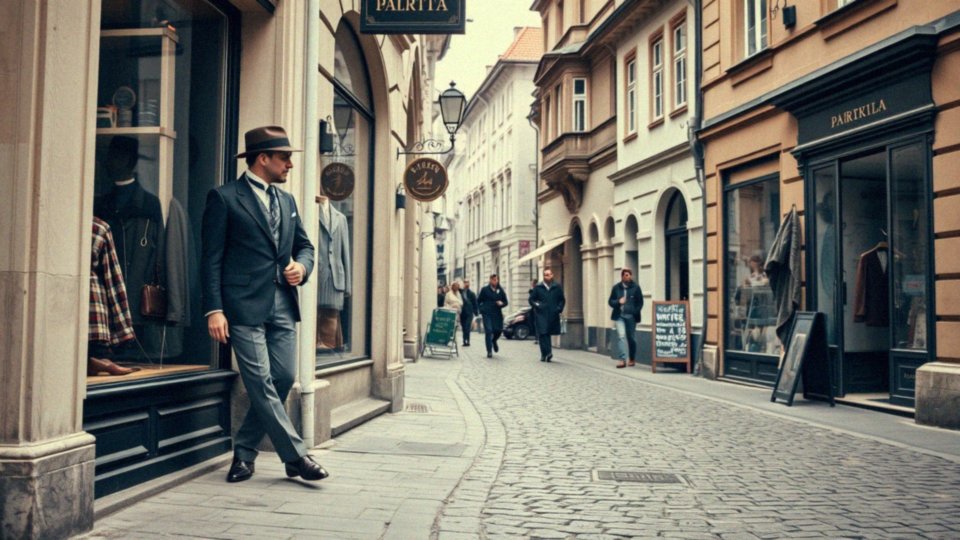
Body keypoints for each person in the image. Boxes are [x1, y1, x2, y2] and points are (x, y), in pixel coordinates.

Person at [202, 125, 327, 483]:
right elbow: (210, 259)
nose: (290, 165)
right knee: (259, 380)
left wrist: (301, 267)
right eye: (284, 157)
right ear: (263, 159)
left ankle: (243, 452)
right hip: (241, 306)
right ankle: (296, 457)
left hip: (283, 304)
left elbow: (305, 246)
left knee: (284, 376)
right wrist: (214, 308)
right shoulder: (224, 198)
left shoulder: (286, 201)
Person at [608, 268, 643, 368]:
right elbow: (610, 301)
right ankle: (622, 360)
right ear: (622, 276)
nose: (628, 277)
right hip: (620, 316)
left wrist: (634, 312)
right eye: (626, 275)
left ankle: (631, 358)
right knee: (621, 336)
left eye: (629, 275)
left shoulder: (636, 288)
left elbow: (640, 302)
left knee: (631, 338)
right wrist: (618, 302)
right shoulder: (616, 288)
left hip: (631, 317)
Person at [529, 268, 565, 362]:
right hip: (541, 314)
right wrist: (537, 305)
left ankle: (545, 354)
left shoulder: (557, 287)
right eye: (545, 275)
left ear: (552, 275)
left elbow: (562, 300)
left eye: (549, 275)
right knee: (543, 333)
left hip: (553, 314)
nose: (547, 276)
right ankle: (547, 353)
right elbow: (531, 299)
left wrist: (559, 309)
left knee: (547, 333)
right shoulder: (538, 287)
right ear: (543, 276)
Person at [477, 274, 508, 358]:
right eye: (493, 279)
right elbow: (478, 301)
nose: (495, 281)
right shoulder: (485, 290)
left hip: (497, 314)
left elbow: (506, 302)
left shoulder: (500, 290)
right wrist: (481, 310)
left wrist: (502, 304)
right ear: (490, 280)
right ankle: (489, 351)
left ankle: (494, 341)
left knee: (498, 330)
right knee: (489, 331)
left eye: (496, 279)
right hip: (487, 314)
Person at [460, 279, 478, 346]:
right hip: (462, 313)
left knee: (467, 327)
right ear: (463, 284)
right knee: (464, 327)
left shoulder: (472, 294)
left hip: (469, 313)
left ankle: (467, 341)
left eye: (467, 283)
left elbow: (475, 303)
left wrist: (476, 313)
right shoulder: (460, 292)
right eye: (465, 283)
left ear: (469, 284)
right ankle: (464, 340)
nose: (466, 284)